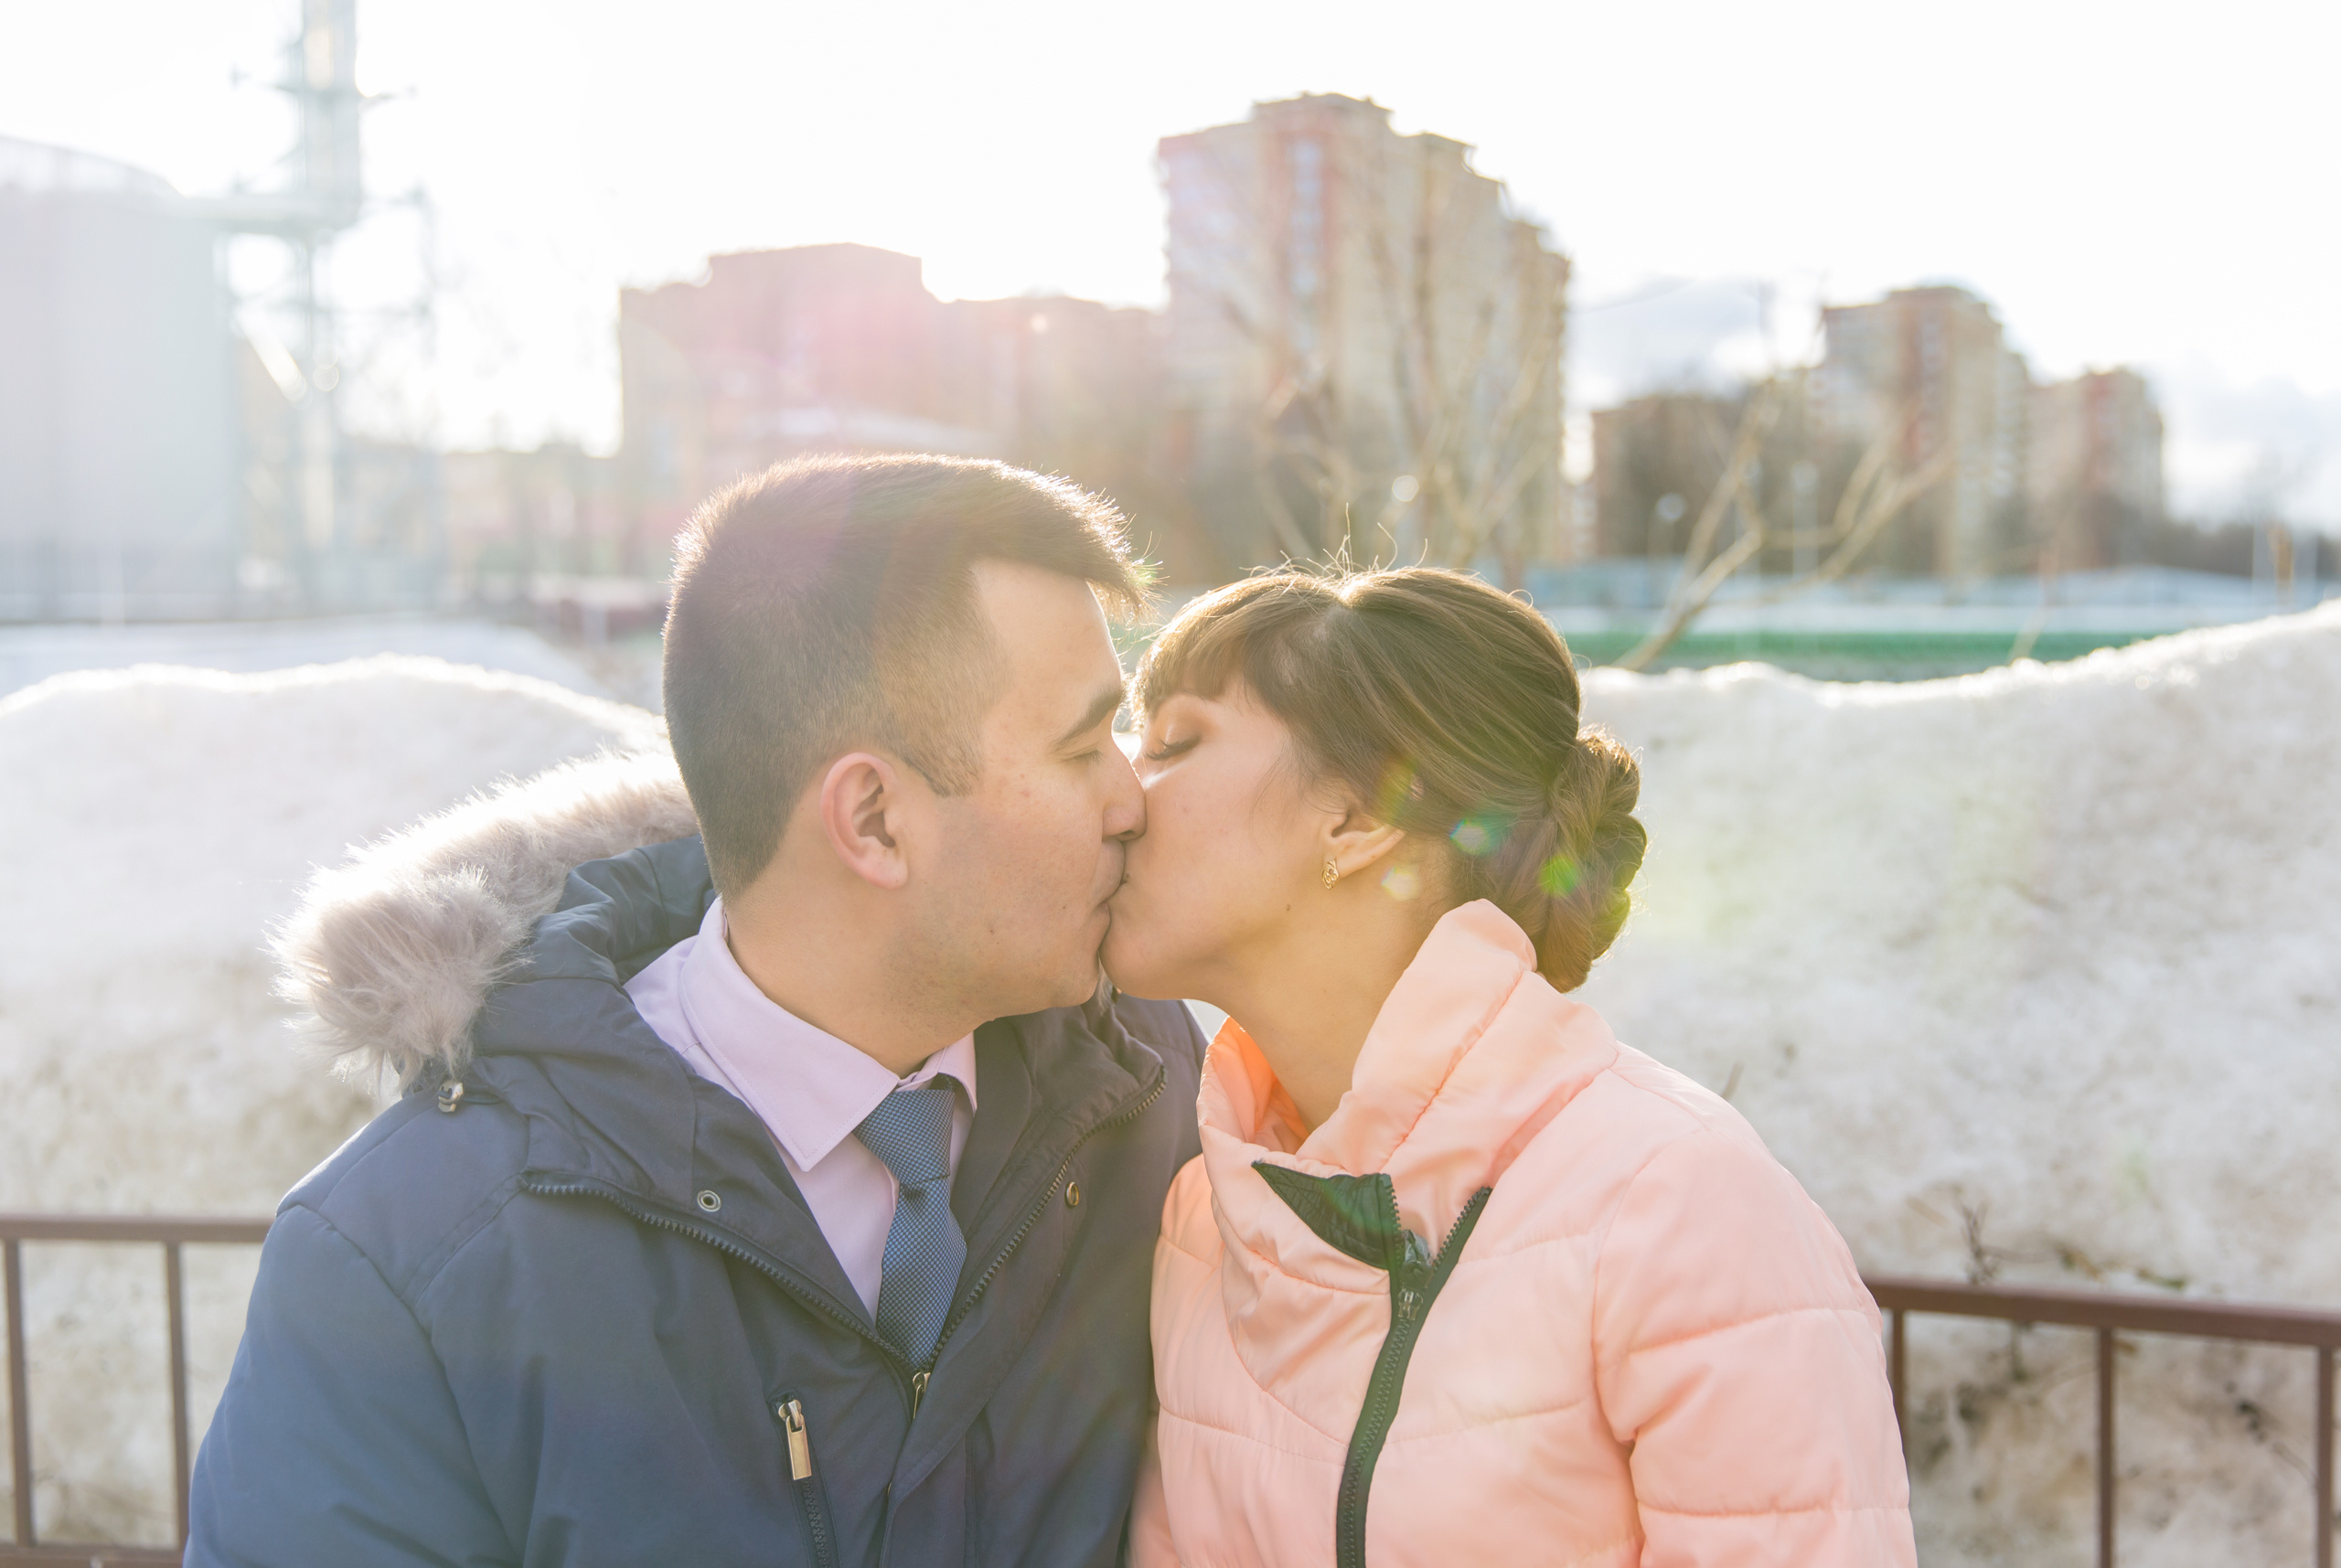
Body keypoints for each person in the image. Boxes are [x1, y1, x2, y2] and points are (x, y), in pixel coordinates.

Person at [187, 455, 1209, 1567]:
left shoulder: (1156, 1094)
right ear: (871, 819)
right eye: (1080, 747)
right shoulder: (406, 1266)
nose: (1129, 800)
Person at [1111, 567, 1915, 1567]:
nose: (1115, 793)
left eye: (1173, 743)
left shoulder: (1674, 1200)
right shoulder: (1204, 1219)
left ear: (1355, 816)